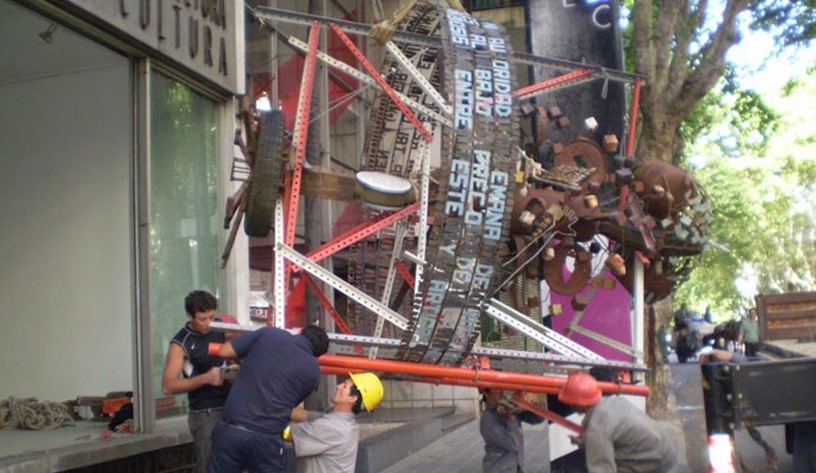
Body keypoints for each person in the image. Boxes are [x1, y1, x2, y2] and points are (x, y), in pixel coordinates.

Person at [208, 325, 329, 473]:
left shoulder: (269, 334)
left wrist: (249, 359)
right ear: (317, 354)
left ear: (300, 332)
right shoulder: (312, 372)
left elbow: (224, 351)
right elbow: (287, 406)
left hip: (231, 430)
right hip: (267, 440)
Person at [559, 371, 689, 473]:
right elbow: (618, 433)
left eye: (571, 402)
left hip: (655, 459)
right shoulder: (614, 402)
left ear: (577, 403)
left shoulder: (597, 428)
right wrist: (588, 441)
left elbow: (602, 469)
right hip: (665, 445)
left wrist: (592, 443)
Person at [161, 290, 231, 473]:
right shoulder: (180, 343)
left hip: (232, 406)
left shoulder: (220, 327)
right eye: (202, 319)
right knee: (210, 466)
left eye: (212, 317)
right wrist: (206, 378)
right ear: (190, 316)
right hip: (205, 412)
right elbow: (168, 385)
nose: (209, 324)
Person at [286, 372, 384, 473]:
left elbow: (286, 433)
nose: (338, 386)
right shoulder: (342, 423)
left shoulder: (333, 427)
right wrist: (278, 406)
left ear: (352, 398)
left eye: (344, 386)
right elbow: (304, 415)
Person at [479, 387, 543, 473]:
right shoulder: (488, 418)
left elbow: (537, 419)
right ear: (485, 393)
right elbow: (513, 444)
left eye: (499, 386)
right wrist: (510, 419)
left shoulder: (508, 407)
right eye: (495, 388)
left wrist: (536, 403)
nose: (500, 390)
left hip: (516, 467)